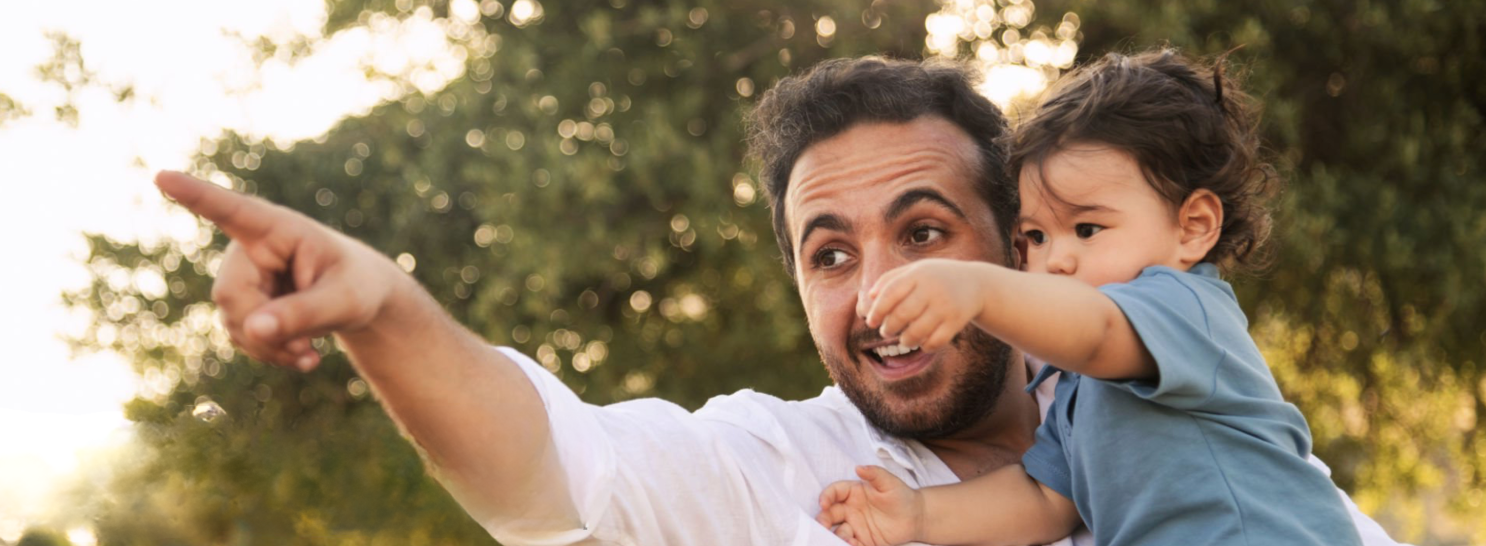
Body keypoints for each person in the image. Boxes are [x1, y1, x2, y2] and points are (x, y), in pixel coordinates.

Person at [153, 55, 1402, 546]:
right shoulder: (777, 464)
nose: (875, 293)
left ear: (1008, 253)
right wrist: (384, 306)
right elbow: (546, 469)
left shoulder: (1195, 410)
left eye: (924, 236)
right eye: (827, 253)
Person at [814, 50, 1360, 546]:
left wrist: (976, 287)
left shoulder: (1185, 309)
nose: (1056, 261)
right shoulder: (1076, 385)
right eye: (1036, 237)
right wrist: (918, 514)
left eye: (1088, 229)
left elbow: (1097, 330)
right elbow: (1044, 502)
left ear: (1193, 226)